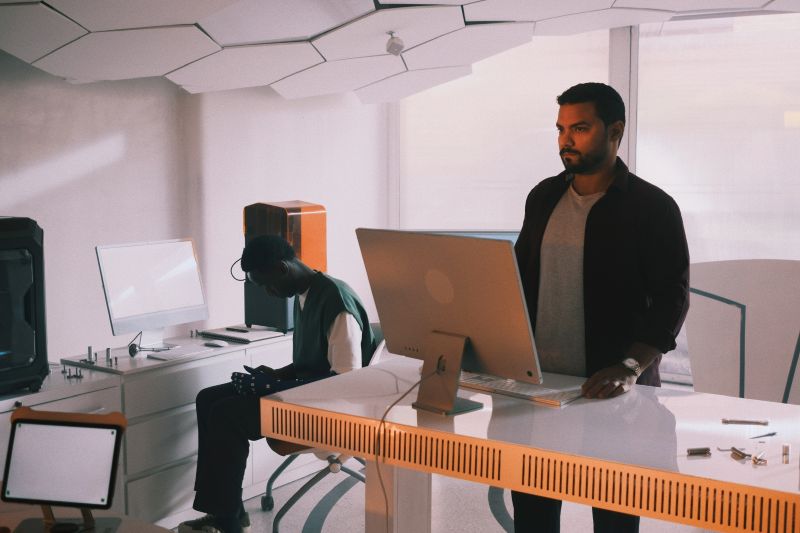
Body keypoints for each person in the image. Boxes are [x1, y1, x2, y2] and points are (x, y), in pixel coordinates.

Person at [512, 82, 690, 533]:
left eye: (580, 128)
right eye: (560, 129)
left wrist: (629, 365)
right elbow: (519, 276)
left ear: (616, 131)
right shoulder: (543, 196)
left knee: (613, 518)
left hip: (610, 393)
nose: (565, 139)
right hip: (540, 390)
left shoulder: (652, 207)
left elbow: (673, 298)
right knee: (533, 513)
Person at [179, 235, 376, 533]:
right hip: (306, 395)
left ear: (283, 268)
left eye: (267, 285)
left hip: (331, 409)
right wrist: (275, 375)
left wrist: (273, 388)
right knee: (208, 398)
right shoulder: (306, 293)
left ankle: (226, 522)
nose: (269, 293)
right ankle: (229, 510)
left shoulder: (336, 302)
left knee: (227, 415)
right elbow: (311, 363)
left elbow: (346, 380)